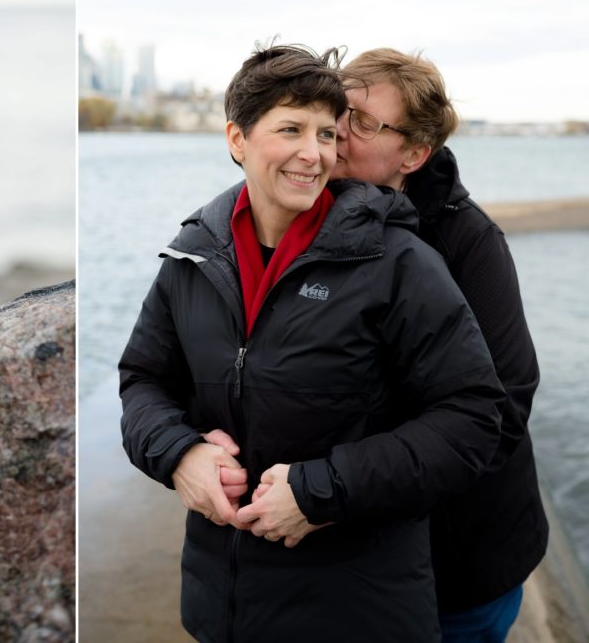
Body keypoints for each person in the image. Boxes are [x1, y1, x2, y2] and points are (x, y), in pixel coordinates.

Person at [119, 43, 506, 641]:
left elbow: (475, 416)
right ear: (237, 140)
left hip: (359, 612)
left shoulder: (401, 262)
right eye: (291, 129)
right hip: (219, 606)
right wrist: (178, 455)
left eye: (327, 133)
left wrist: (321, 491)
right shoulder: (191, 256)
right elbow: (143, 380)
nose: (314, 152)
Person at [329, 48, 547, 641]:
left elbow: (503, 407)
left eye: (366, 123)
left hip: (460, 557)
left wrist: (343, 484)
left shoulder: (468, 243)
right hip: (346, 553)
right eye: (338, 111)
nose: (339, 132)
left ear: (414, 154)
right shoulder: (305, 218)